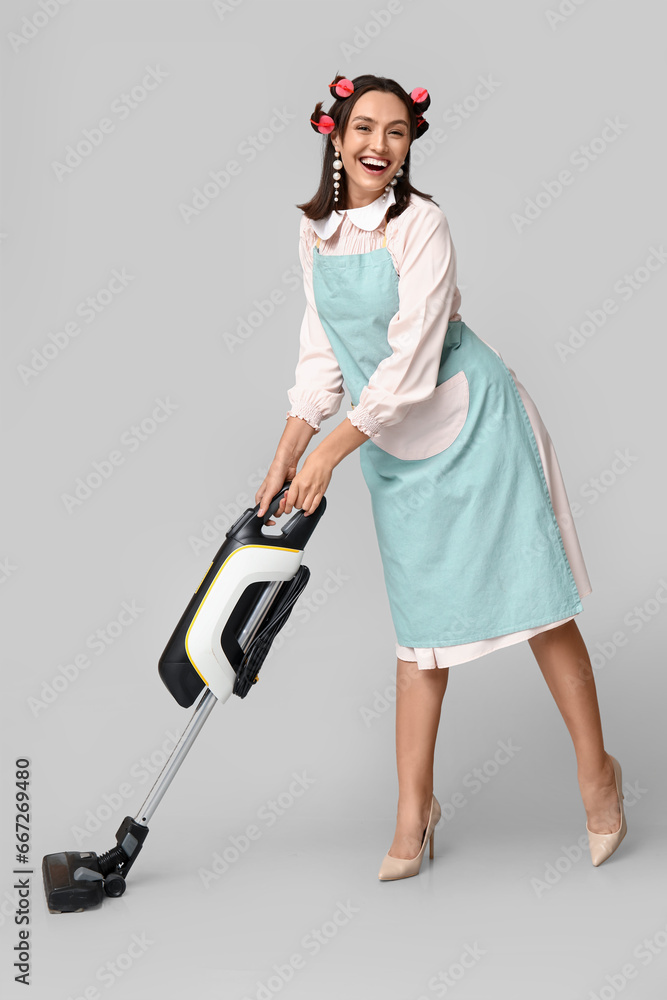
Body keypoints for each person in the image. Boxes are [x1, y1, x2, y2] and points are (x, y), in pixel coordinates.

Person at [255, 73, 627, 880]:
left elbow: (411, 361)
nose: (378, 145)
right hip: (391, 449)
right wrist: (290, 443)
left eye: (396, 132)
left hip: (474, 427)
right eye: (363, 128)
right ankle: (412, 810)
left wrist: (327, 453)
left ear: (410, 144)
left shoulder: (420, 224)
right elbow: (323, 355)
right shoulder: (313, 234)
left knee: (535, 605)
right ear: (334, 134)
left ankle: (597, 773)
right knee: (420, 637)